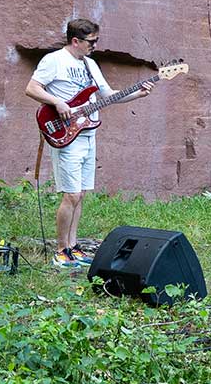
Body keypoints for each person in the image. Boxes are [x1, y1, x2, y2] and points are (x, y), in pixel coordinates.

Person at [26, 19, 150, 267]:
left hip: (88, 132)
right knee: (70, 194)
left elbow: (108, 95)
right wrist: (57, 102)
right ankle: (61, 250)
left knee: (80, 194)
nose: (95, 45)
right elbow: (32, 88)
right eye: (91, 41)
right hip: (65, 134)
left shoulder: (91, 65)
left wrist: (138, 93)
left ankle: (73, 246)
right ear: (76, 41)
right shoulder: (54, 61)